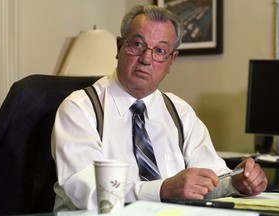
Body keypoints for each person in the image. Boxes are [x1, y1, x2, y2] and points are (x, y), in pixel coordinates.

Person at [51, 4, 267, 211]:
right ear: (119, 47)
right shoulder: (79, 109)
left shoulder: (180, 112)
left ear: (171, 61)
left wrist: (237, 181)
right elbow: (88, 193)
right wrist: (162, 189)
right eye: (137, 45)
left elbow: (210, 176)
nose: (146, 58)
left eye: (160, 50)